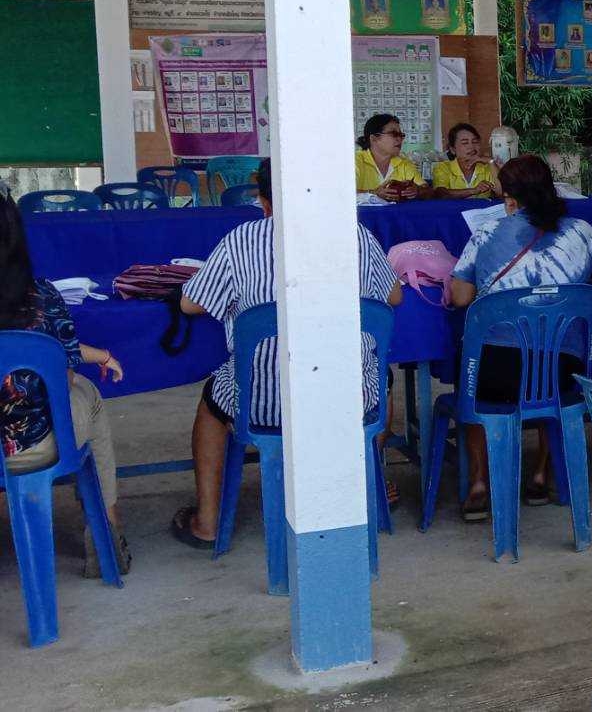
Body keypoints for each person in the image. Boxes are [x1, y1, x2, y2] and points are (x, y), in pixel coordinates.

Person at [173, 159, 403, 548]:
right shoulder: (354, 236)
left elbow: (189, 304)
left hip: (263, 407)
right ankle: (366, 491)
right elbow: (393, 296)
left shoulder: (240, 241)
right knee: (381, 378)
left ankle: (207, 522)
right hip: (346, 402)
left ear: (264, 202)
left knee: (212, 403)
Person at [448, 154, 592, 516]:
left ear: (509, 198)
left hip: (495, 372)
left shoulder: (487, 233)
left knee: (471, 383)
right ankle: (541, 474)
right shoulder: (582, 231)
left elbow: (460, 297)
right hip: (562, 371)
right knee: (548, 370)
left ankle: (479, 483)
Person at [0, 195, 129, 576]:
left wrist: (97, 354)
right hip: (33, 447)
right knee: (86, 393)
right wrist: (99, 356)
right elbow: (62, 369)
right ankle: (107, 527)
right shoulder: (40, 296)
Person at [354, 113, 429, 201]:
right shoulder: (354, 161)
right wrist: (374, 193)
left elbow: (428, 191)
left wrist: (418, 190)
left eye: (401, 135)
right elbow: (343, 194)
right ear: (374, 138)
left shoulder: (403, 163)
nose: (400, 139)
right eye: (394, 134)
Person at [431, 123, 502, 200]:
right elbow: (441, 194)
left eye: (475, 142)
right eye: (465, 143)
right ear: (453, 150)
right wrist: (474, 190)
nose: (471, 147)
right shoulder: (443, 167)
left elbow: (501, 193)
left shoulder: (487, 168)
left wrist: (491, 161)